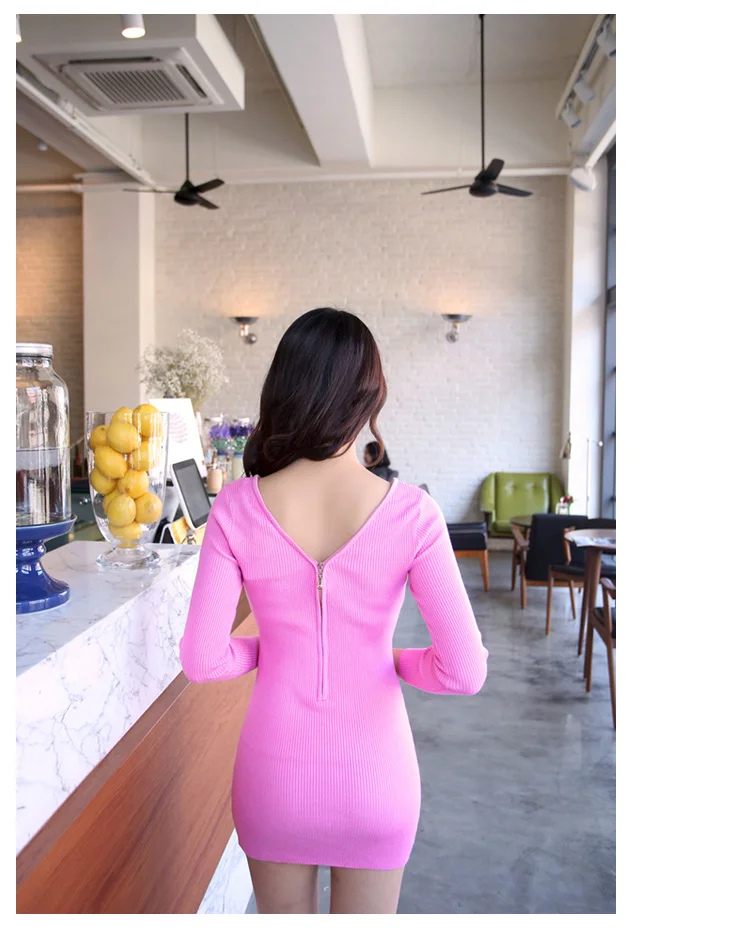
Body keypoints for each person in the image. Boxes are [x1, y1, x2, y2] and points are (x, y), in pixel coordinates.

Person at [179, 307, 489, 915]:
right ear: (369, 396)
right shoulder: (413, 514)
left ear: (283, 390)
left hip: (274, 777)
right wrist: (391, 659)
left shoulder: (236, 507)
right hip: (377, 778)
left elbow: (202, 660)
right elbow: (464, 671)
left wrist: (275, 649)